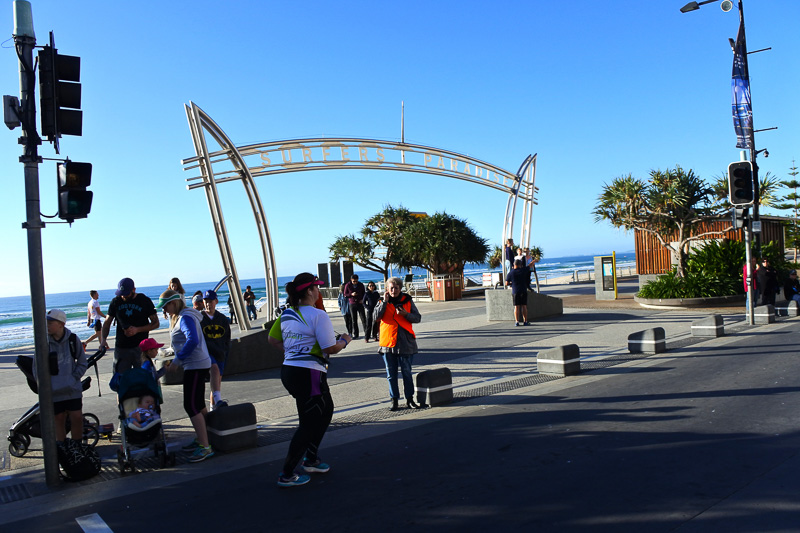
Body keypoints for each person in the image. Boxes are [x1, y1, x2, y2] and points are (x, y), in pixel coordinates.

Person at [268, 273, 352, 488]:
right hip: (309, 374)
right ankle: (287, 473)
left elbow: (272, 339)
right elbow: (330, 348)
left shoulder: (287, 314)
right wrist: (345, 340)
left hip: (291, 371)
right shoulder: (318, 315)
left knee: (326, 410)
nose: (319, 292)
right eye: (317, 287)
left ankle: (311, 458)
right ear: (309, 291)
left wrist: (294, 351)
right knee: (308, 423)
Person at [157, 289, 214, 463]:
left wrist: (177, 360)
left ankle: (205, 446)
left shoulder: (185, 317)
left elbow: (192, 340)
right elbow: (184, 341)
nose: (164, 310)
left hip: (195, 365)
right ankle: (205, 438)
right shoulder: (182, 317)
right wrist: (171, 353)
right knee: (197, 403)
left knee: (190, 405)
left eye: (166, 306)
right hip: (196, 364)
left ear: (174, 303)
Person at [35, 309, 88, 442]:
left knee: (76, 418)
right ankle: (62, 448)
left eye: (50, 322)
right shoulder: (43, 342)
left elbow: (82, 363)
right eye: (46, 322)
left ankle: (77, 447)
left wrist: (73, 379)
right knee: (58, 419)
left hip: (72, 390)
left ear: (61, 324)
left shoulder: (72, 339)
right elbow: (37, 368)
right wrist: (44, 386)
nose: (47, 325)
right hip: (53, 391)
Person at [375, 277, 422, 411]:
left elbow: (417, 318)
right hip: (388, 344)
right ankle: (394, 400)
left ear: (400, 288)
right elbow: (375, 317)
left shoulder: (407, 300)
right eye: (391, 288)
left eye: (396, 288)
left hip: (405, 343)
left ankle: (410, 399)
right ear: (387, 290)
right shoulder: (381, 301)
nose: (393, 290)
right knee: (391, 374)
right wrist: (384, 302)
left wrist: (406, 314)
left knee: (407, 372)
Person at [101, 278, 159, 375]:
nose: (123, 296)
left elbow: (156, 323)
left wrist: (137, 330)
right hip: (121, 347)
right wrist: (103, 340)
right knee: (120, 380)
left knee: (143, 379)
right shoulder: (116, 302)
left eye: (126, 293)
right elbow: (107, 323)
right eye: (122, 293)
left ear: (134, 290)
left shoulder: (144, 300)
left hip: (140, 348)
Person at [201, 289, 231, 410]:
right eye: (206, 301)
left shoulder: (222, 319)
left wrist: (224, 352)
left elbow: (227, 339)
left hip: (220, 353)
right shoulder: (200, 318)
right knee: (214, 371)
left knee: (217, 383)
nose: (208, 304)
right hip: (206, 354)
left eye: (211, 301)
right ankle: (216, 403)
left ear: (216, 301)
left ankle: (214, 407)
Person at [506, 258, 532, 326]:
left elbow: (506, 283)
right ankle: (525, 321)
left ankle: (517, 321)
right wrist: (534, 261)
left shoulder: (511, 273)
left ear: (514, 265)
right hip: (523, 290)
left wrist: (511, 284)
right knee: (524, 306)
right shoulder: (523, 270)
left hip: (515, 291)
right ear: (520, 265)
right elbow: (530, 265)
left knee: (516, 307)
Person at [343, 274, 367, 340]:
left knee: (363, 319)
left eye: (356, 281)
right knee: (354, 320)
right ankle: (356, 334)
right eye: (353, 281)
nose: (355, 283)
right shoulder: (348, 285)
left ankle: (366, 333)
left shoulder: (361, 285)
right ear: (351, 280)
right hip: (352, 303)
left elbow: (364, 293)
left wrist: (363, 300)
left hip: (360, 303)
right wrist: (351, 294)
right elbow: (345, 294)